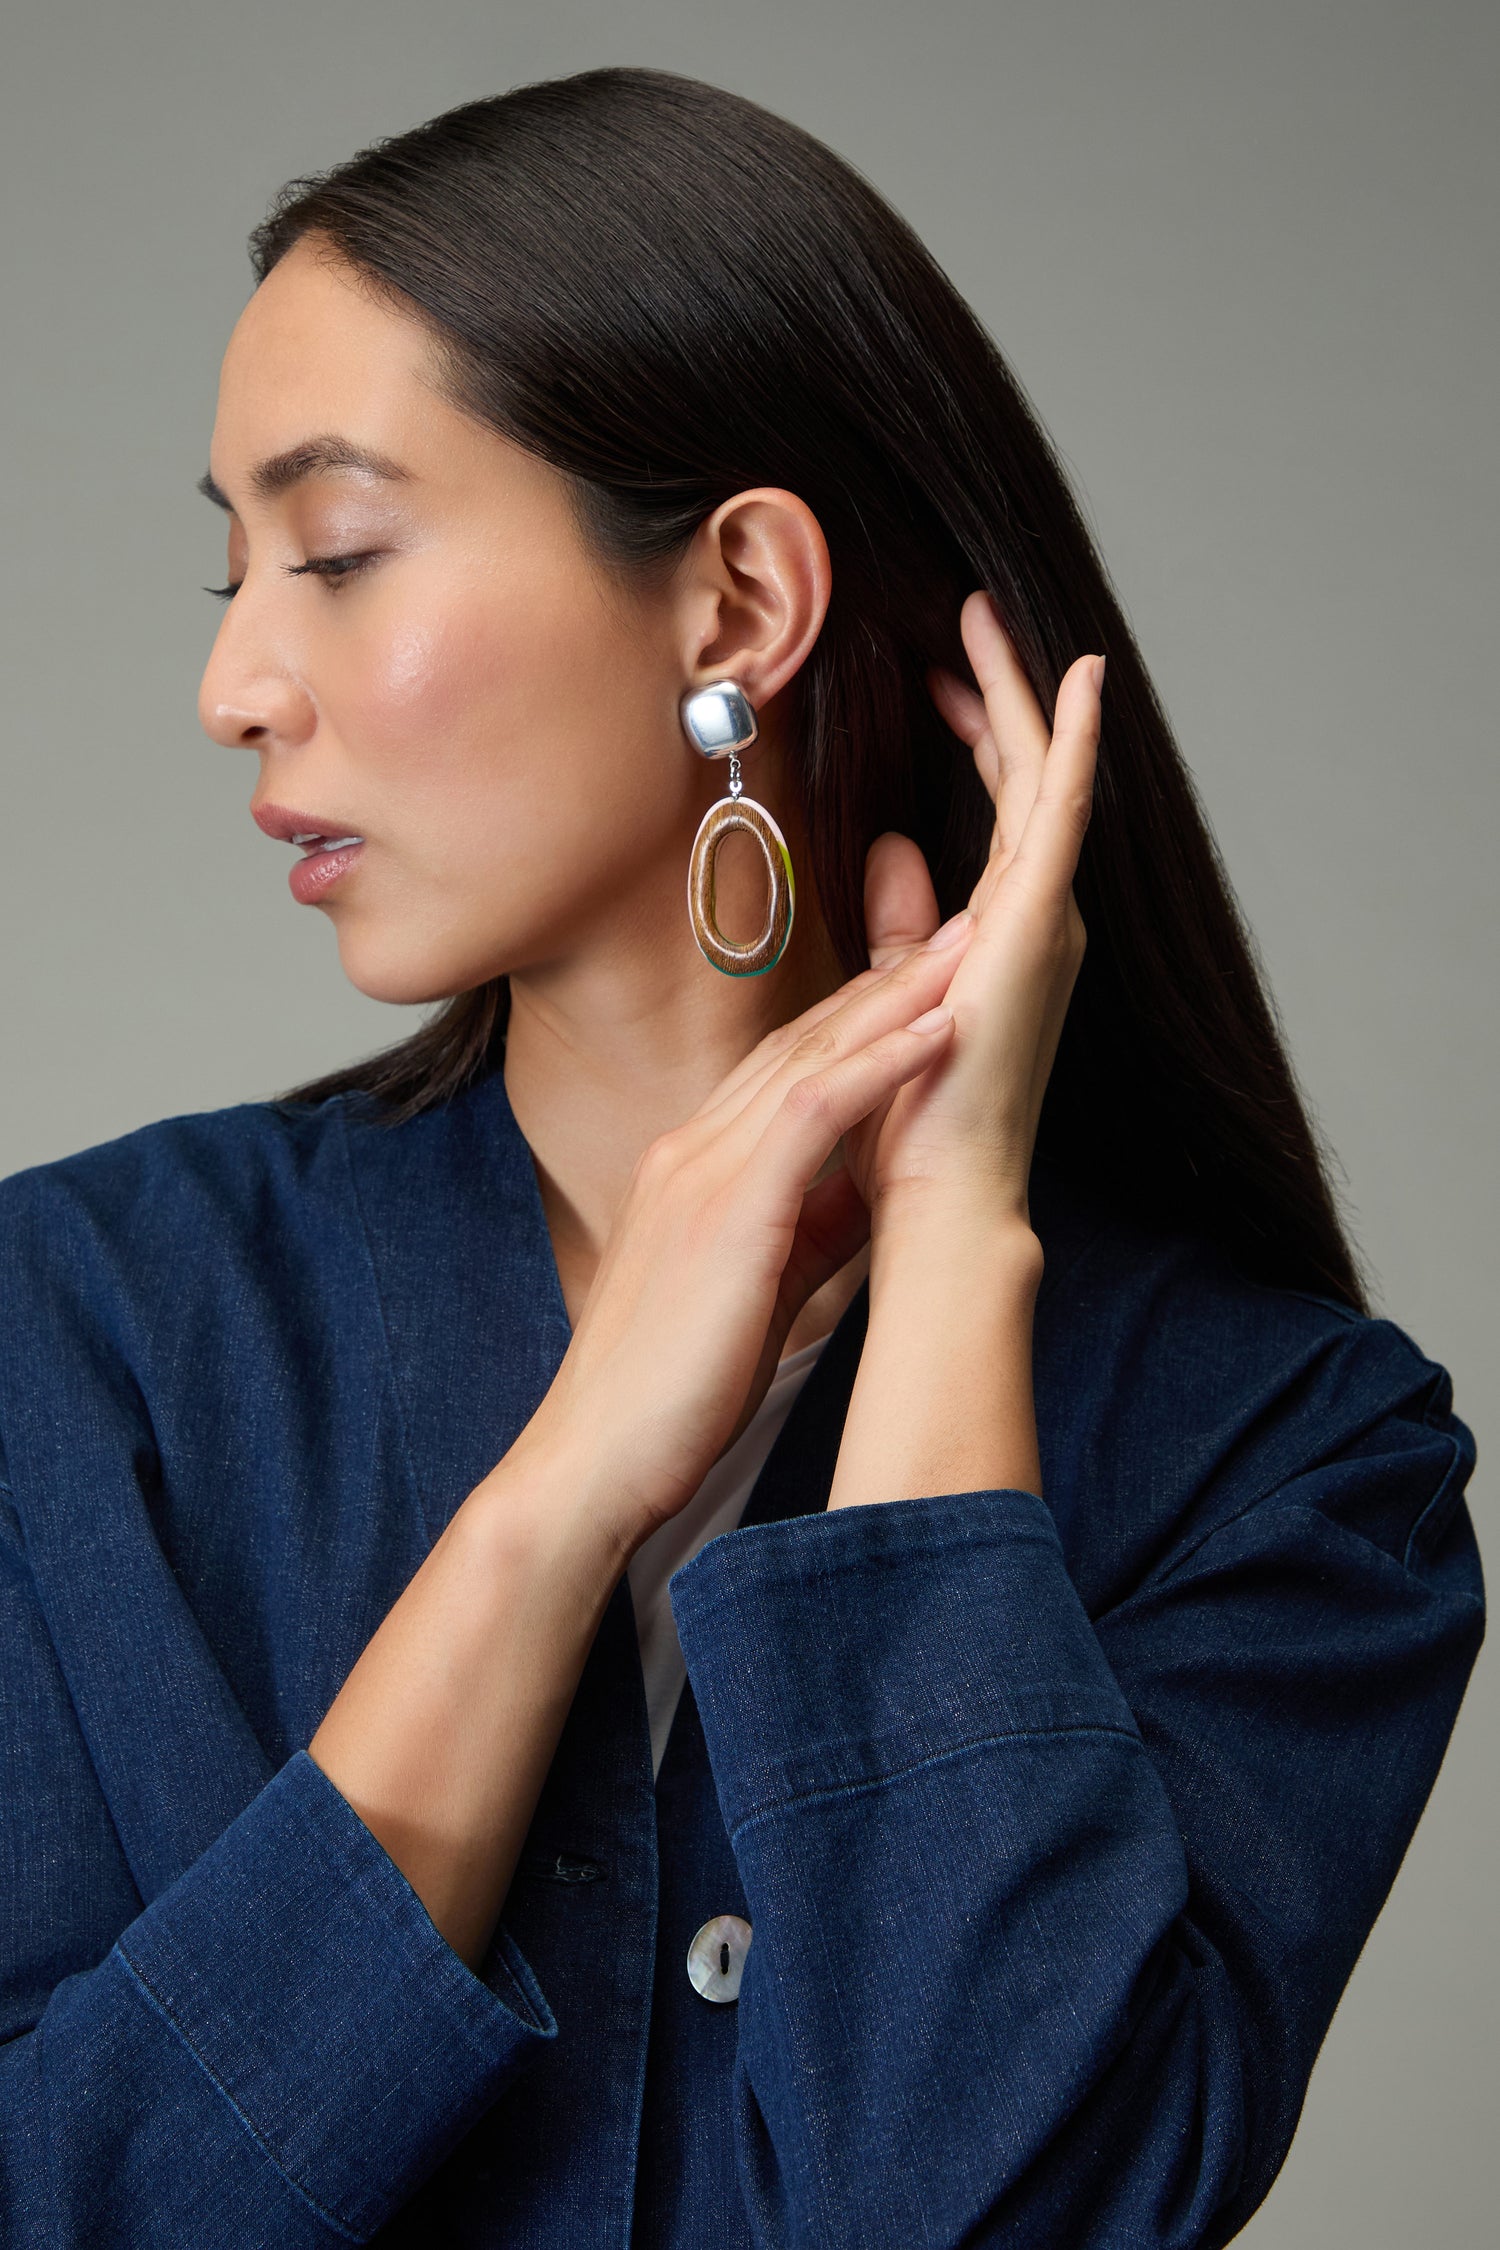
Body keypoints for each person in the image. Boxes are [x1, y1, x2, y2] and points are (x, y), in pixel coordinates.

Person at [0, 64, 1481, 2250]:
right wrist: (565, 1484)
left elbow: (996, 2208)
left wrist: (957, 1265)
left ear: (736, 606)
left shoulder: (1286, 1461)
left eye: (334, 554)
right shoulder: (80, 1334)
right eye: (234, 574)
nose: (234, 681)